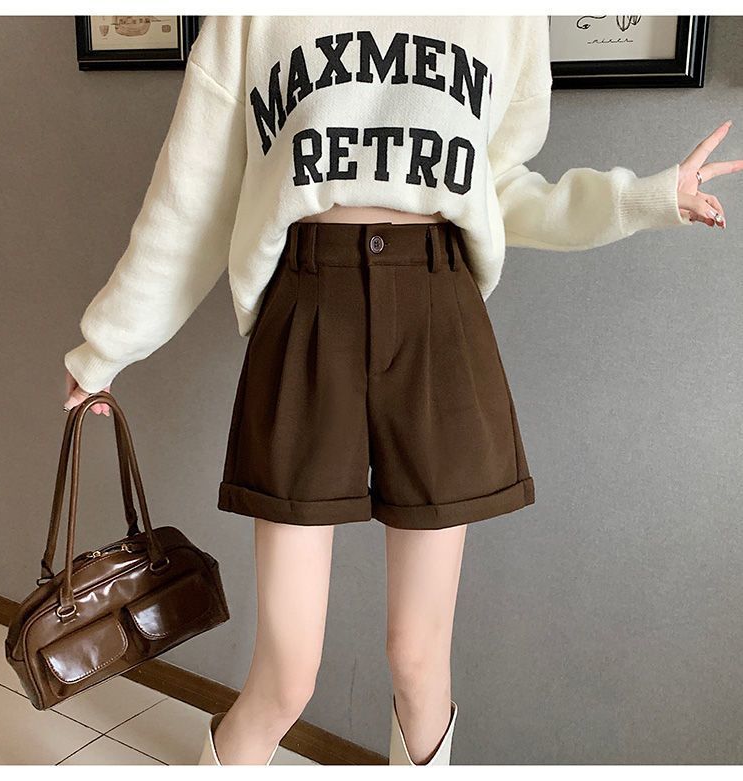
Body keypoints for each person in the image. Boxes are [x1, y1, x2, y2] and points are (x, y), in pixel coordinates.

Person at [62, 16, 741, 765]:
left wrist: (643, 198)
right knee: (286, 675)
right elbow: (193, 196)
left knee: (419, 662)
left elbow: (500, 188)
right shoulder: (250, 14)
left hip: (436, 309)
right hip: (307, 303)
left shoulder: (507, 16)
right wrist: (107, 346)